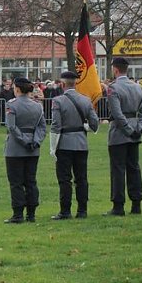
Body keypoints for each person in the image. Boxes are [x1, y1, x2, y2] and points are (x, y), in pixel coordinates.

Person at [49, 71, 99, 220]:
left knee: (65, 179)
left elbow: (56, 125)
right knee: (81, 178)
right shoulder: (86, 100)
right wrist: (85, 127)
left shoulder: (58, 101)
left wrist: (53, 147)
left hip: (64, 144)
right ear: (75, 83)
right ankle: (82, 210)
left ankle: (65, 211)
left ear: (62, 84)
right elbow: (95, 124)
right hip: (81, 144)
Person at [105, 57, 142, 216]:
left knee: (118, 170)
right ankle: (136, 204)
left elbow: (117, 114)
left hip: (119, 133)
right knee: (134, 168)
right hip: (135, 130)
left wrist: (127, 129)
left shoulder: (113, 88)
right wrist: (140, 127)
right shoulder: (138, 87)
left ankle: (118, 206)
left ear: (115, 70)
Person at [3, 78, 46, 224]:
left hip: (15, 148)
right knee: (31, 181)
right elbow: (42, 127)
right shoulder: (37, 106)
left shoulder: (12, 104)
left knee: (16, 182)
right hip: (33, 148)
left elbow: (11, 126)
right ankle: (31, 213)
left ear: (17, 89)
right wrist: (36, 141)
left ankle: (18, 214)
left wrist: (23, 140)